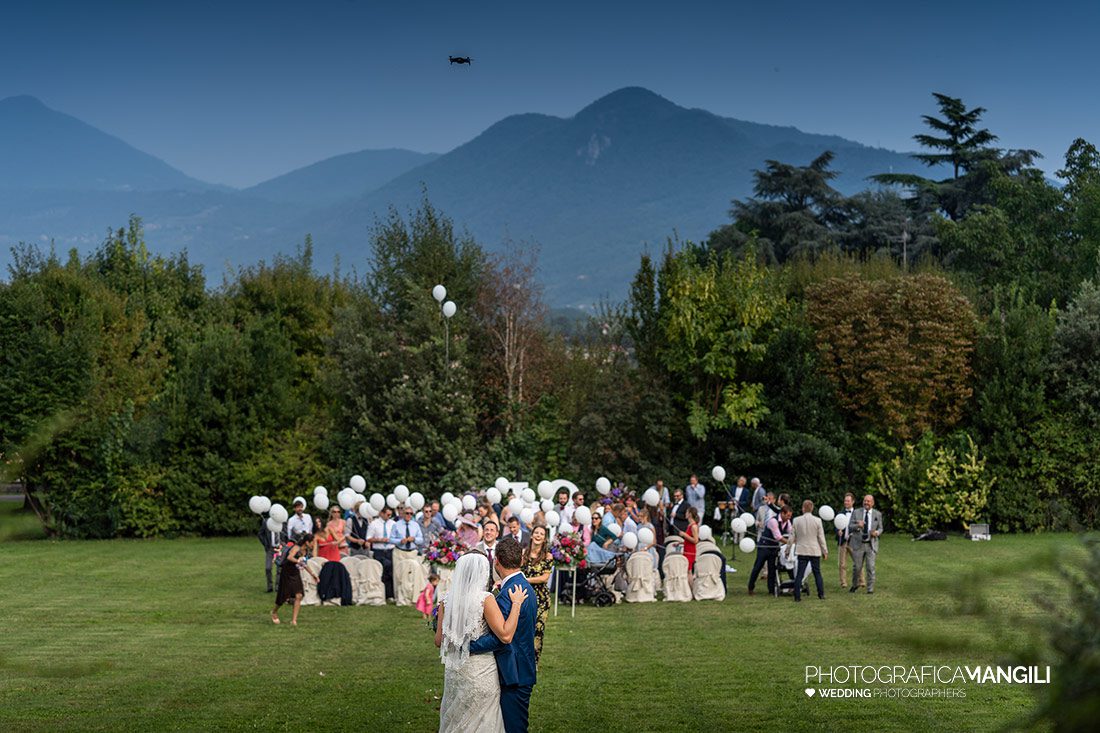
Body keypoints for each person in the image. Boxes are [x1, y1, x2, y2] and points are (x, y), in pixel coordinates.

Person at [435, 549, 531, 733]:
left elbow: (439, 640)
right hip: (481, 671)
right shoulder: (485, 599)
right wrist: (517, 603)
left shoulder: (446, 601)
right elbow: (505, 635)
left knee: (457, 719)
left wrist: (459, 641)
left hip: (455, 671)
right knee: (482, 720)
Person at [467, 538, 538, 733]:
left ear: (496, 560)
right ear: (521, 560)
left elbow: (500, 637)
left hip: (514, 673)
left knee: (514, 728)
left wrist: (466, 646)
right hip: (522, 666)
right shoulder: (522, 586)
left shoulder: (510, 593)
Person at [520, 526, 553, 667]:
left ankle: (534, 662)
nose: (538, 535)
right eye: (536, 533)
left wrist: (525, 580)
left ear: (544, 538)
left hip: (541, 599)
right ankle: (522, 660)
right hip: (524, 596)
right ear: (532, 535)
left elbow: (544, 578)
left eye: (542, 534)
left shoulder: (548, 556)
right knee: (523, 629)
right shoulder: (523, 553)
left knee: (538, 630)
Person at [271, 533, 319, 626]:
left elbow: (304, 564)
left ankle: (294, 621)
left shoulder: (306, 551)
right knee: (283, 596)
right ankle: (274, 612)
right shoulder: (296, 548)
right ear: (307, 542)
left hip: (295, 573)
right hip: (287, 573)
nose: (313, 544)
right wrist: (298, 561)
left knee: (299, 595)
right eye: (312, 542)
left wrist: (313, 574)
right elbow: (289, 557)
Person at [748, 505, 791, 596]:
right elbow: (778, 537)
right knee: (758, 567)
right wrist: (790, 543)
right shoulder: (773, 521)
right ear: (782, 513)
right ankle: (750, 587)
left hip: (774, 548)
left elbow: (791, 531)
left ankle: (771, 590)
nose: (789, 518)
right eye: (787, 516)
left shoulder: (787, 522)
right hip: (764, 547)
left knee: (772, 569)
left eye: (790, 516)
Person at [790, 500, 828, 602]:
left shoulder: (796, 520)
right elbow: (821, 538)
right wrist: (825, 551)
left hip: (802, 550)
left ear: (803, 508)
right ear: (812, 509)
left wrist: (787, 550)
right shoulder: (817, 520)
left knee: (799, 574)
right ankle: (821, 594)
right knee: (817, 573)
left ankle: (797, 596)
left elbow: (791, 537)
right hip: (814, 550)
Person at [849, 494, 882, 594]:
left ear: (872, 503)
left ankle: (870, 589)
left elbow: (881, 528)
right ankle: (855, 585)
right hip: (858, 544)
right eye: (865, 501)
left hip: (871, 544)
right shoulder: (856, 512)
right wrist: (858, 526)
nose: (866, 503)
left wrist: (877, 533)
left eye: (868, 501)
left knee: (870, 567)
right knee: (857, 567)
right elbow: (850, 526)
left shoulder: (877, 514)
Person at [367, 505, 396, 600]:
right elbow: (368, 538)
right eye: (387, 514)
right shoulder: (374, 524)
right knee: (381, 571)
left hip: (390, 550)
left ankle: (390, 594)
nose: (389, 517)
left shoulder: (393, 523)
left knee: (391, 571)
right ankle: (381, 593)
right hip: (379, 550)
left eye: (390, 515)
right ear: (382, 513)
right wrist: (379, 540)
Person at [836, 492, 863, 589]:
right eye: (845, 500)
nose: (846, 502)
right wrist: (838, 531)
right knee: (842, 563)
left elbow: (862, 526)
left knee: (857, 561)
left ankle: (861, 580)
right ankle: (843, 582)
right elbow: (837, 524)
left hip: (854, 541)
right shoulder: (840, 513)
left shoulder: (858, 513)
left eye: (848, 501)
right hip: (843, 541)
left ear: (853, 502)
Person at [257, 517, 287, 592]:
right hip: (270, 549)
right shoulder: (266, 522)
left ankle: (278, 587)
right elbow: (260, 534)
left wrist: (284, 543)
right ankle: (269, 586)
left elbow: (286, 534)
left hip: (280, 548)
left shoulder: (282, 522)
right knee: (268, 568)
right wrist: (265, 544)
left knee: (279, 569)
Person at [682, 507, 701, 572]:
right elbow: (688, 539)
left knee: (688, 571)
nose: (685, 513)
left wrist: (685, 535)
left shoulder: (694, 526)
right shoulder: (690, 525)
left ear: (690, 514)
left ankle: (690, 582)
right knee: (686, 570)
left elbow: (696, 540)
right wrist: (681, 543)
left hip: (690, 551)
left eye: (687, 512)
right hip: (686, 549)